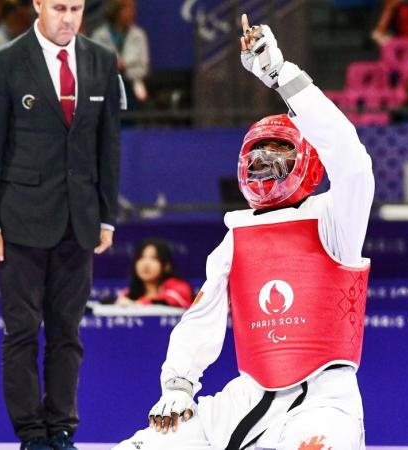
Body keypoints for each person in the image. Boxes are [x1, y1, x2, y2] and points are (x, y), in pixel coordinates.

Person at [113, 14, 374, 450]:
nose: (265, 166)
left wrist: (280, 72)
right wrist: (178, 384)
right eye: (257, 157)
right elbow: (203, 314)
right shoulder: (236, 233)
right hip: (244, 398)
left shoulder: (335, 219)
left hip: (325, 405)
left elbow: (351, 158)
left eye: (279, 155)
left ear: (309, 164)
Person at [0, 0, 121, 449]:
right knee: (23, 331)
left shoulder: (101, 61)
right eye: (59, 8)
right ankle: (31, 433)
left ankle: (62, 428)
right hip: (19, 221)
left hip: (80, 219)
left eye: (76, 8)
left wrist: (108, 215)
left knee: (68, 333)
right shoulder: (7, 62)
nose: (68, 18)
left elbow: (108, 144)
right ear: (37, 5)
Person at [90, 0, 149, 106]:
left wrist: (124, 67)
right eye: (127, 9)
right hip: (106, 87)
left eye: (132, 9)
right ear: (116, 11)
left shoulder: (138, 35)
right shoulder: (99, 35)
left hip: (131, 86)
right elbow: (94, 65)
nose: (132, 12)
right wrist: (113, 66)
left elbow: (143, 67)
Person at [115, 239, 194, 308]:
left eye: (153, 258)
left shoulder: (179, 288)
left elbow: (170, 300)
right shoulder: (128, 294)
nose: (146, 264)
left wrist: (138, 304)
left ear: (167, 265)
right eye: (141, 258)